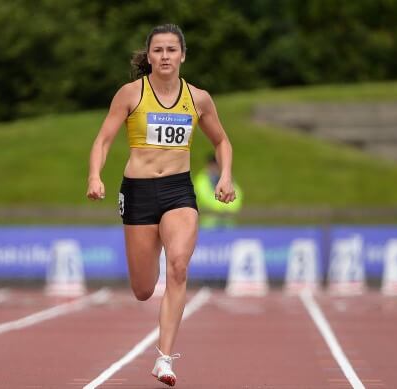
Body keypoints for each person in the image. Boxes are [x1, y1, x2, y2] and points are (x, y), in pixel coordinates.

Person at [86, 24, 236, 387]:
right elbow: (103, 140)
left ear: (182, 55)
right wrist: (95, 175)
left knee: (179, 266)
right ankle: (149, 269)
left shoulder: (197, 98)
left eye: (172, 50)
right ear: (149, 56)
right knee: (143, 289)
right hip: (138, 192)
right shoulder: (130, 94)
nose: (165, 56)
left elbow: (222, 141)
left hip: (178, 191)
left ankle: (164, 358)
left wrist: (226, 176)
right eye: (158, 50)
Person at [194, 153, 243, 228]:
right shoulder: (201, 180)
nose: (215, 168)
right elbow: (206, 199)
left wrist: (227, 209)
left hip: (228, 223)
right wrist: (224, 207)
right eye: (213, 165)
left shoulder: (228, 179)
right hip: (207, 224)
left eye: (217, 165)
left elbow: (236, 197)